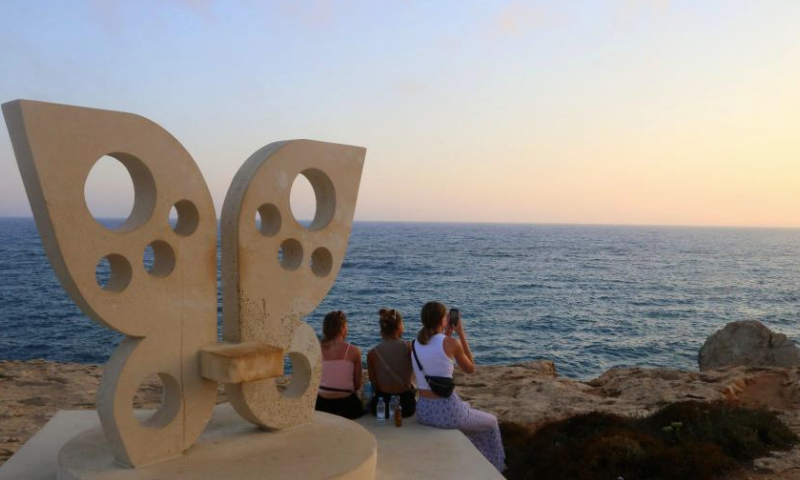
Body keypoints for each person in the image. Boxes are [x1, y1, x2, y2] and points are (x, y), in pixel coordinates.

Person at [411, 301, 505, 472]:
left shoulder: (413, 344)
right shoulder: (452, 343)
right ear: (443, 320)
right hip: (447, 412)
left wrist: (447, 335)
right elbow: (471, 368)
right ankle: (496, 466)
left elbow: (434, 355)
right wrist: (461, 334)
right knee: (491, 422)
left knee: (466, 407)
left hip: (424, 411)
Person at [366, 308, 416, 418]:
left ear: (382, 329)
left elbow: (375, 386)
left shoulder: (372, 354)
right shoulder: (409, 347)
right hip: (406, 406)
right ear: (399, 326)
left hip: (382, 406)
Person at [315, 310, 363, 419]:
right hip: (346, 406)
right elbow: (357, 385)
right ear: (342, 329)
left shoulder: (316, 348)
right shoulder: (354, 351)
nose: (347, 329)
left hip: (322, 405)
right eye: (346, 326)